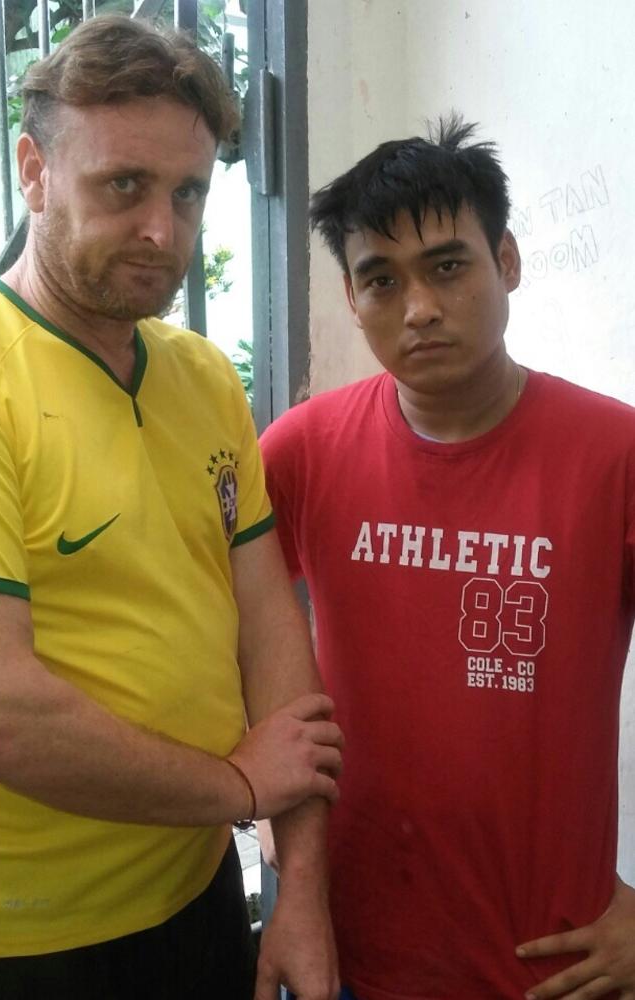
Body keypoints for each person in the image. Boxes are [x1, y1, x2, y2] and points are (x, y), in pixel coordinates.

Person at [0, 15, 344, 1000]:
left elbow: (270, 629)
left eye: (188, 193)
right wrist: (236, 789)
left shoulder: (200, 378)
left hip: (197, 901)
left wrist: (298, 886)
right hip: (23, 944)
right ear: (34, 168)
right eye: (124, 187)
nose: (163, 231)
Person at [259, 115, 635, 1000]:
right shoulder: (301, 451)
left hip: (553, 963)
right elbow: (223, 645)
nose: (418, 307)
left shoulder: (615, 455)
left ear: (506, 261)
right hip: (349, 954)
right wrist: (272, 832)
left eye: (448, 266)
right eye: (380, 280)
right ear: (352, 300)